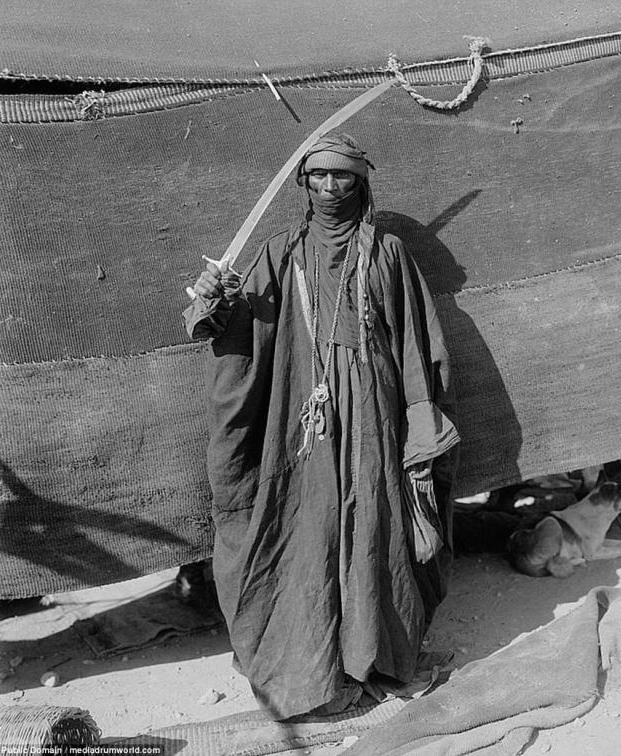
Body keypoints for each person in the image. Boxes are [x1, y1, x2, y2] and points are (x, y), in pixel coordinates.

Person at [183, 132, 460, 719]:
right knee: (312, 525)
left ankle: (372, 655)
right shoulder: (282, 252)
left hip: (374, 418)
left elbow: (414, 345)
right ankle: (311, 661)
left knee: (372, 523)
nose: (330, 187)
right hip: (304, 420)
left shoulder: (387, 253)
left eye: (343, 177)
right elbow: (240, 327)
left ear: (361, 183)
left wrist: (418, 421)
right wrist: (216, 302)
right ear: (304, 184)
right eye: (319, 177)